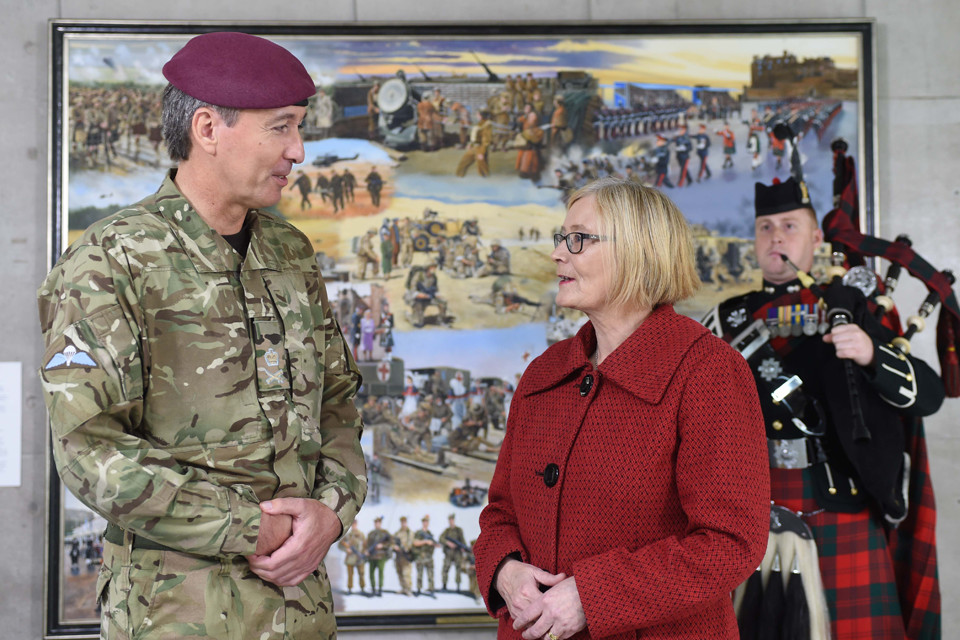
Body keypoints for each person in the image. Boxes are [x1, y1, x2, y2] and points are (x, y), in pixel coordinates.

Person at [36, 32, 367, 640]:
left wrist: (332, 512)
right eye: (281, 127)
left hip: (303, 613)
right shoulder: (113, 260)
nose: (298, 150)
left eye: (299, 128)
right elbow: (90, 450)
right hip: (177, 616)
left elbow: (339, 400)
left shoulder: (289, 251)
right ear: (209, 129)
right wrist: (251, 528)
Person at [474, 176, 769, 640]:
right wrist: (505, 571)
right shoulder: (545, 374)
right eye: (560, 239)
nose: (557, 254)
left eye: (577, 240)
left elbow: (729, 543)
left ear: (638, 250)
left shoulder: (709, 372)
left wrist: (592, 595)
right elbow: (500, 514)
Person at [703, 177, 946, 639]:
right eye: (765, 227)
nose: (776, 236)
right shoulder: (724, 320)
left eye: (790, 225)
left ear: (817, 239)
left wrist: (873, 355)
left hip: (839, 501)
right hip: (751, 510)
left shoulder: (852, 309)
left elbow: (928, 396)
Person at [338, 520, 368, 595]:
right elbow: (340, 545)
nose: (354, 526)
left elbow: (365, 545)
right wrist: (346, 549)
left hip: (359, 557)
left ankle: (362, 588)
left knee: (361, 573)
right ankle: (350, 589)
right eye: (353, 524)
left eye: (355, 524)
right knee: (350, 574)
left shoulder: (361, 534)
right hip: (350, 558)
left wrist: (364, 553)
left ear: (357, 525)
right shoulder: (348, 535)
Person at [440, 513, 468, 592]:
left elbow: (462, 541)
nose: (451, 521)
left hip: (457, 553)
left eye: (452, 520)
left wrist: (463, 548)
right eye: (450, 520)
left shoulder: (459, 530)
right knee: (445, 569)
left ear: (454, 520)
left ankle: (458, 587)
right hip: (448, 553)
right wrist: (448, 543)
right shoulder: (447, 531)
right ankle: (444, 586)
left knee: (458, 569)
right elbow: (440, 538)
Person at [366, 516, 392, 597]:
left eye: (378, 523)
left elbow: (391, 542)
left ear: (380, 523)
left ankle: (380, 590)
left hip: (381, 557)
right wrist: (366, 551)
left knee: (380, 573)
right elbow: (367, 544)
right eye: (376, 523)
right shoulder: (371, 533)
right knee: (371, 574)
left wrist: (382, 545)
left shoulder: (385, 533)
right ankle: (373, 590)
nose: (377, 524)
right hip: (372, 557)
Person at [413, 515, 438, 595]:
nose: (425, 523)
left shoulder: (430, 533)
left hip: (429, 557)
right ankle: (419, 590)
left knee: (430, 574)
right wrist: (425, 541)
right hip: (420, 556)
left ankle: (431, 589)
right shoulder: (418, 533)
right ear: (422, 522)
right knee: (419, 574)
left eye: (427, 521)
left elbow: (435, 545)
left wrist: (433, 544)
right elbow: (415, 543)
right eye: (424, 521)